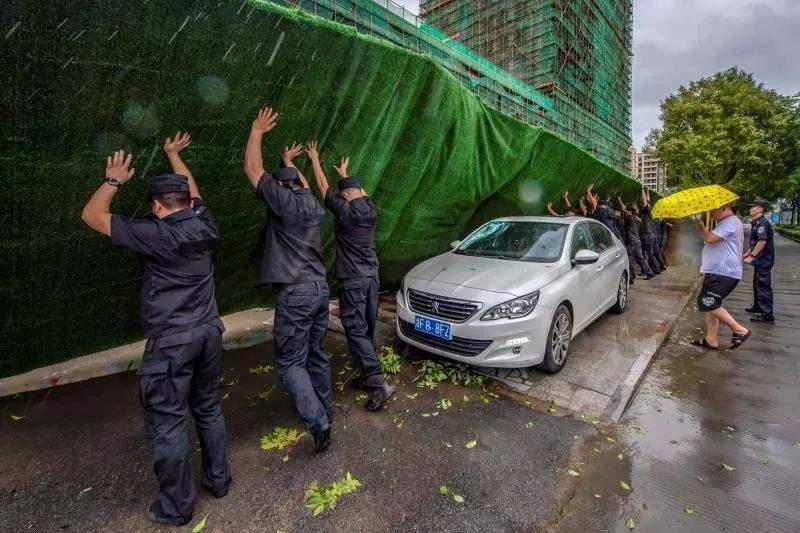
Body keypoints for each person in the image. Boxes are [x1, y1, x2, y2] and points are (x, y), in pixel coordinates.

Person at [81, 134, 230, 526]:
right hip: (208, 334)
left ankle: (177, 508)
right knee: (209, 408)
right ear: (187, 202)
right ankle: (219, 481)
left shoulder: (156, 233)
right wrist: (174, 157)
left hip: (172, 343)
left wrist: (112, 181)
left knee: (168, 423)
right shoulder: (205, 225)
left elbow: (92, 216)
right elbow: (194, 194)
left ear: (157, 206)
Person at [243, 107, 333, 452]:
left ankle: (318, 422)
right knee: (316, 355)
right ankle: (325, 412)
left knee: (290, 362)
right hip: (318, 290)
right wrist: (288, 160)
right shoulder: (311, 203)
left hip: (295, 294)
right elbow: (304, 182)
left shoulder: (283, 202)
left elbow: (253, 169)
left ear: (282, 187)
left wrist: (256, 131)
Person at [304, 141, 394, 410]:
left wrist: (315, 159)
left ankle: (378, 381)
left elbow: (323, 187)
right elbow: (356, 191)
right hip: (371, 278)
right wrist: (345, 175)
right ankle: (367, 373)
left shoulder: (345, 212)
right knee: (365, 328)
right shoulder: (370, 208)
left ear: (343, 197)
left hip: (354, 280)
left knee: (354, 329)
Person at [691, 204, 751, 350]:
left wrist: (700, 225)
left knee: (707, 302)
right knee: (712, 304)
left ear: (724, 208)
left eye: (713, 210)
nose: (711, 213)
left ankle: (739, 330)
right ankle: (711, 339)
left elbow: (710, 238)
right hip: (717, 271)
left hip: (723, 272)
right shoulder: (726, 223)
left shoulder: (730, 222)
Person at [744, 202, 775, 323]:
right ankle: (758, 307)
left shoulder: (762, 223)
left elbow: (762, 242)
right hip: (760, 260)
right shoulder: (756, 223)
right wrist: (748, 252)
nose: (751, 209)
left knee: (763, 286)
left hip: (764, 260)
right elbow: (756, 241)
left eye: (753, 207)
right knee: (757, 284)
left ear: (760, 209)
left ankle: (767, 315)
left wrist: (752, 255)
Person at [617, 197, 654, 282]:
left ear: (629, 212)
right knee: (640, 258)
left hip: (632, 242)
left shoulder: (630, 218)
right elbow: (629, 210)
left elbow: (624, 209)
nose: (625, 212)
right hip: (637, 241)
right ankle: (649, 272)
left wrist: (620, 200)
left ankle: (631, 277)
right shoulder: (636, 218)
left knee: (629, 259)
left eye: (627, 211)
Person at [638, 187, 662, 275]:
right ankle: (647, 270)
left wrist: (642, 189)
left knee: (650, 254)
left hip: (647, 235)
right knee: (646, 254)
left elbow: (645, 201)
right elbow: (647, 200)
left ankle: (656, 269)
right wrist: (647, 191)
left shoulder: (648, 210)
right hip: (648, 235)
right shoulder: (650, 210)